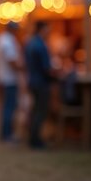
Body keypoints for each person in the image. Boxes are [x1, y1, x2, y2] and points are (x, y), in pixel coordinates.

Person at [25, 21, 55, 149]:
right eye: (48, 29)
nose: (49, 32)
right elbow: (46, 67)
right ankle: (35, 139)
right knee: (40, 111)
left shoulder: (31, 43)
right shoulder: (40, 45)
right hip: (41, 82)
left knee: (35, 110)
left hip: (32, 80)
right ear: (42, 29)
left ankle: (33, 136)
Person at [0, 22, 22, 142]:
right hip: (8, 79)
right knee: (9, 107)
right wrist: (23, 68)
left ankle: (4, 133)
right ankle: (7, 134)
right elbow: (12, 61)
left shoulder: (0, 39)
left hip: (1, 77)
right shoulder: (8, 42)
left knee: (5, 106)